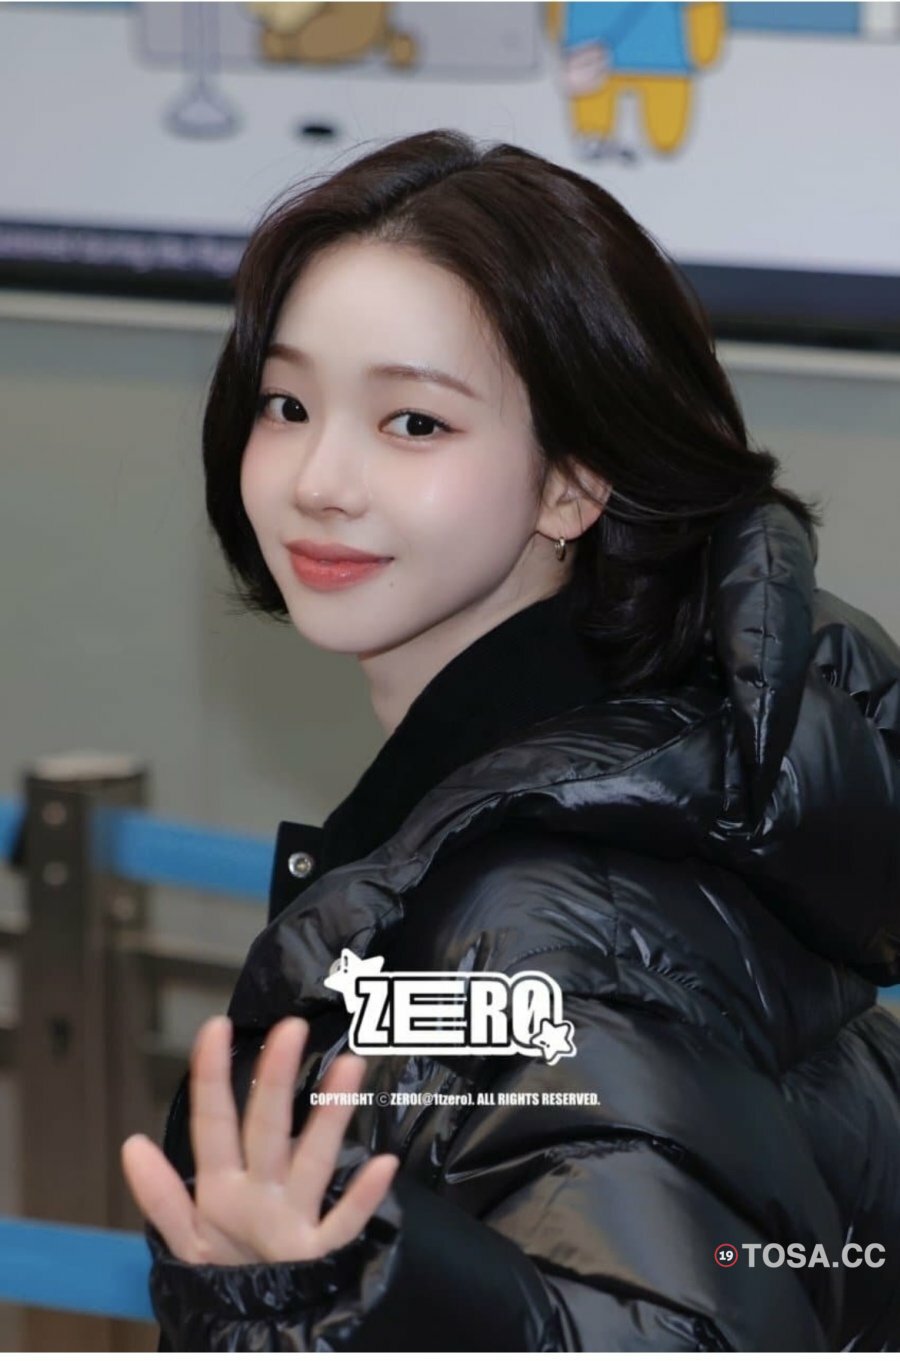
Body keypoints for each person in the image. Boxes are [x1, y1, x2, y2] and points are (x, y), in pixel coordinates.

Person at [120, 128, 900, 1351]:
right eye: (288, 404)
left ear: (573, 484)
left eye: (414, 422)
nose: (320, 478)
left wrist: (324, 1294)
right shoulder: (638, 786)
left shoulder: (539, 915)